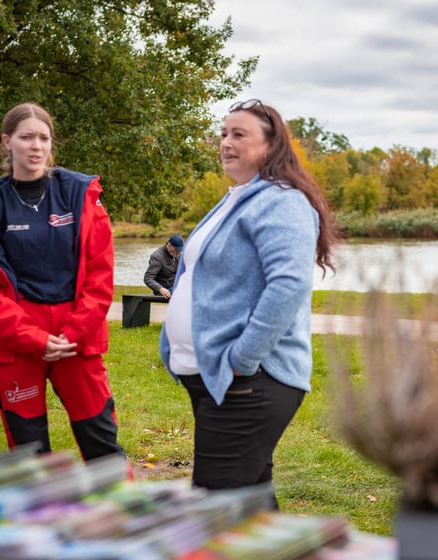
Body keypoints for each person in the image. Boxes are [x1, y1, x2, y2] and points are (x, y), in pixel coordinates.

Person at [159, 99, 338, 507]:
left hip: (250, 381)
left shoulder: (282, 200)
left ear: (271, 146)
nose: (225, 142)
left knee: (214, 511)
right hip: (218, 381)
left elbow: (289, 284)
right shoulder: (238, 198)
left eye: (239, 134)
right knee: (250, 508)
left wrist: (242, 358)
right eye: (223, 134)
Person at [0, 102, 126, 464]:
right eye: (26, 137)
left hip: (76, 342)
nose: (36, 146)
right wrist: (33, 340)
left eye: (44, 138)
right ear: (7, 142)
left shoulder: (80, 195)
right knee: (28, 448)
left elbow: (101, 278)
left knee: (101, 441)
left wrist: (72, 335)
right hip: (16, 344)